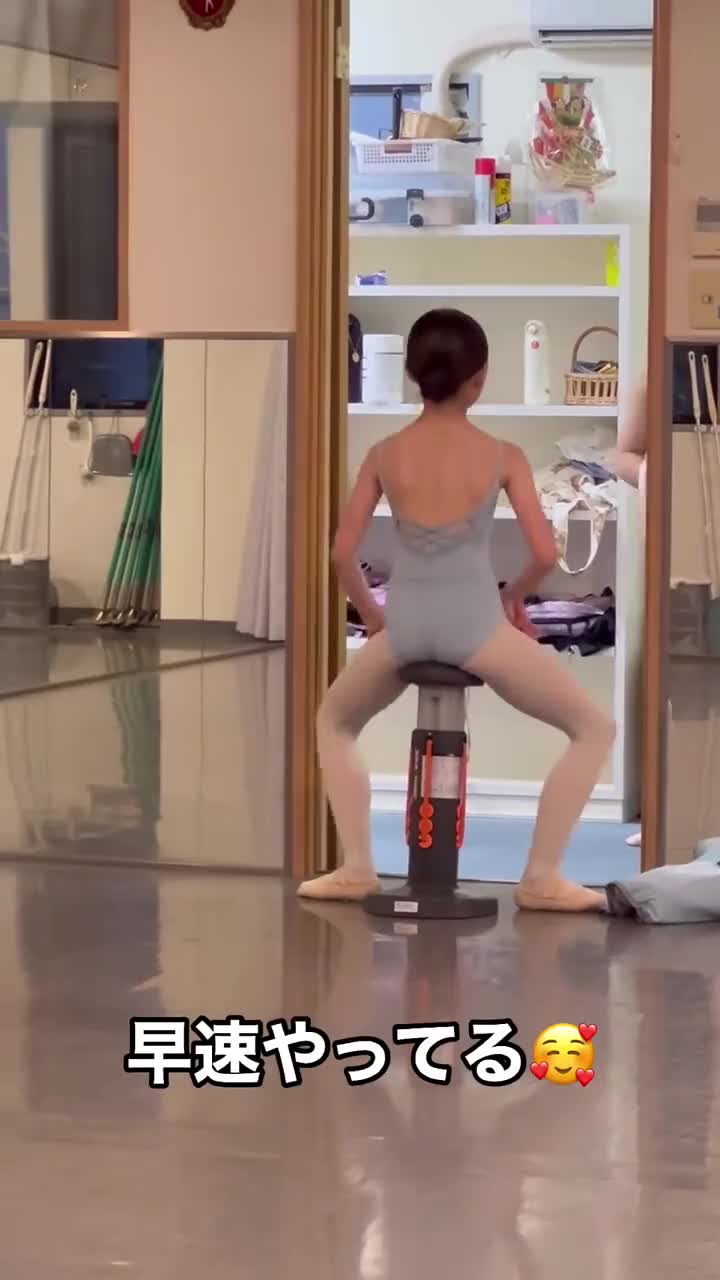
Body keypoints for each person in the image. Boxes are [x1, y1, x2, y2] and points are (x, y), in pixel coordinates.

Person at [298, 309, 615, 911]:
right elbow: (545, 553)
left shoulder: (385, 453)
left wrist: (374, 617)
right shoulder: (503, 455)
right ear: (480, 378)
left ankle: (357, 868)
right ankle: (541, 877)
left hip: (404, 627)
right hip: (476, 627)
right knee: (594, 728)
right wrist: (513, 597)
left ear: (413, 374)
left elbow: (342, 554)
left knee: (334, 723)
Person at [611, 383, 647, 849]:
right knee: (674, 677)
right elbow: (623, 456)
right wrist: (655, 472)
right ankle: (670, 810)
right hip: (682, 532)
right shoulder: (666, 367)